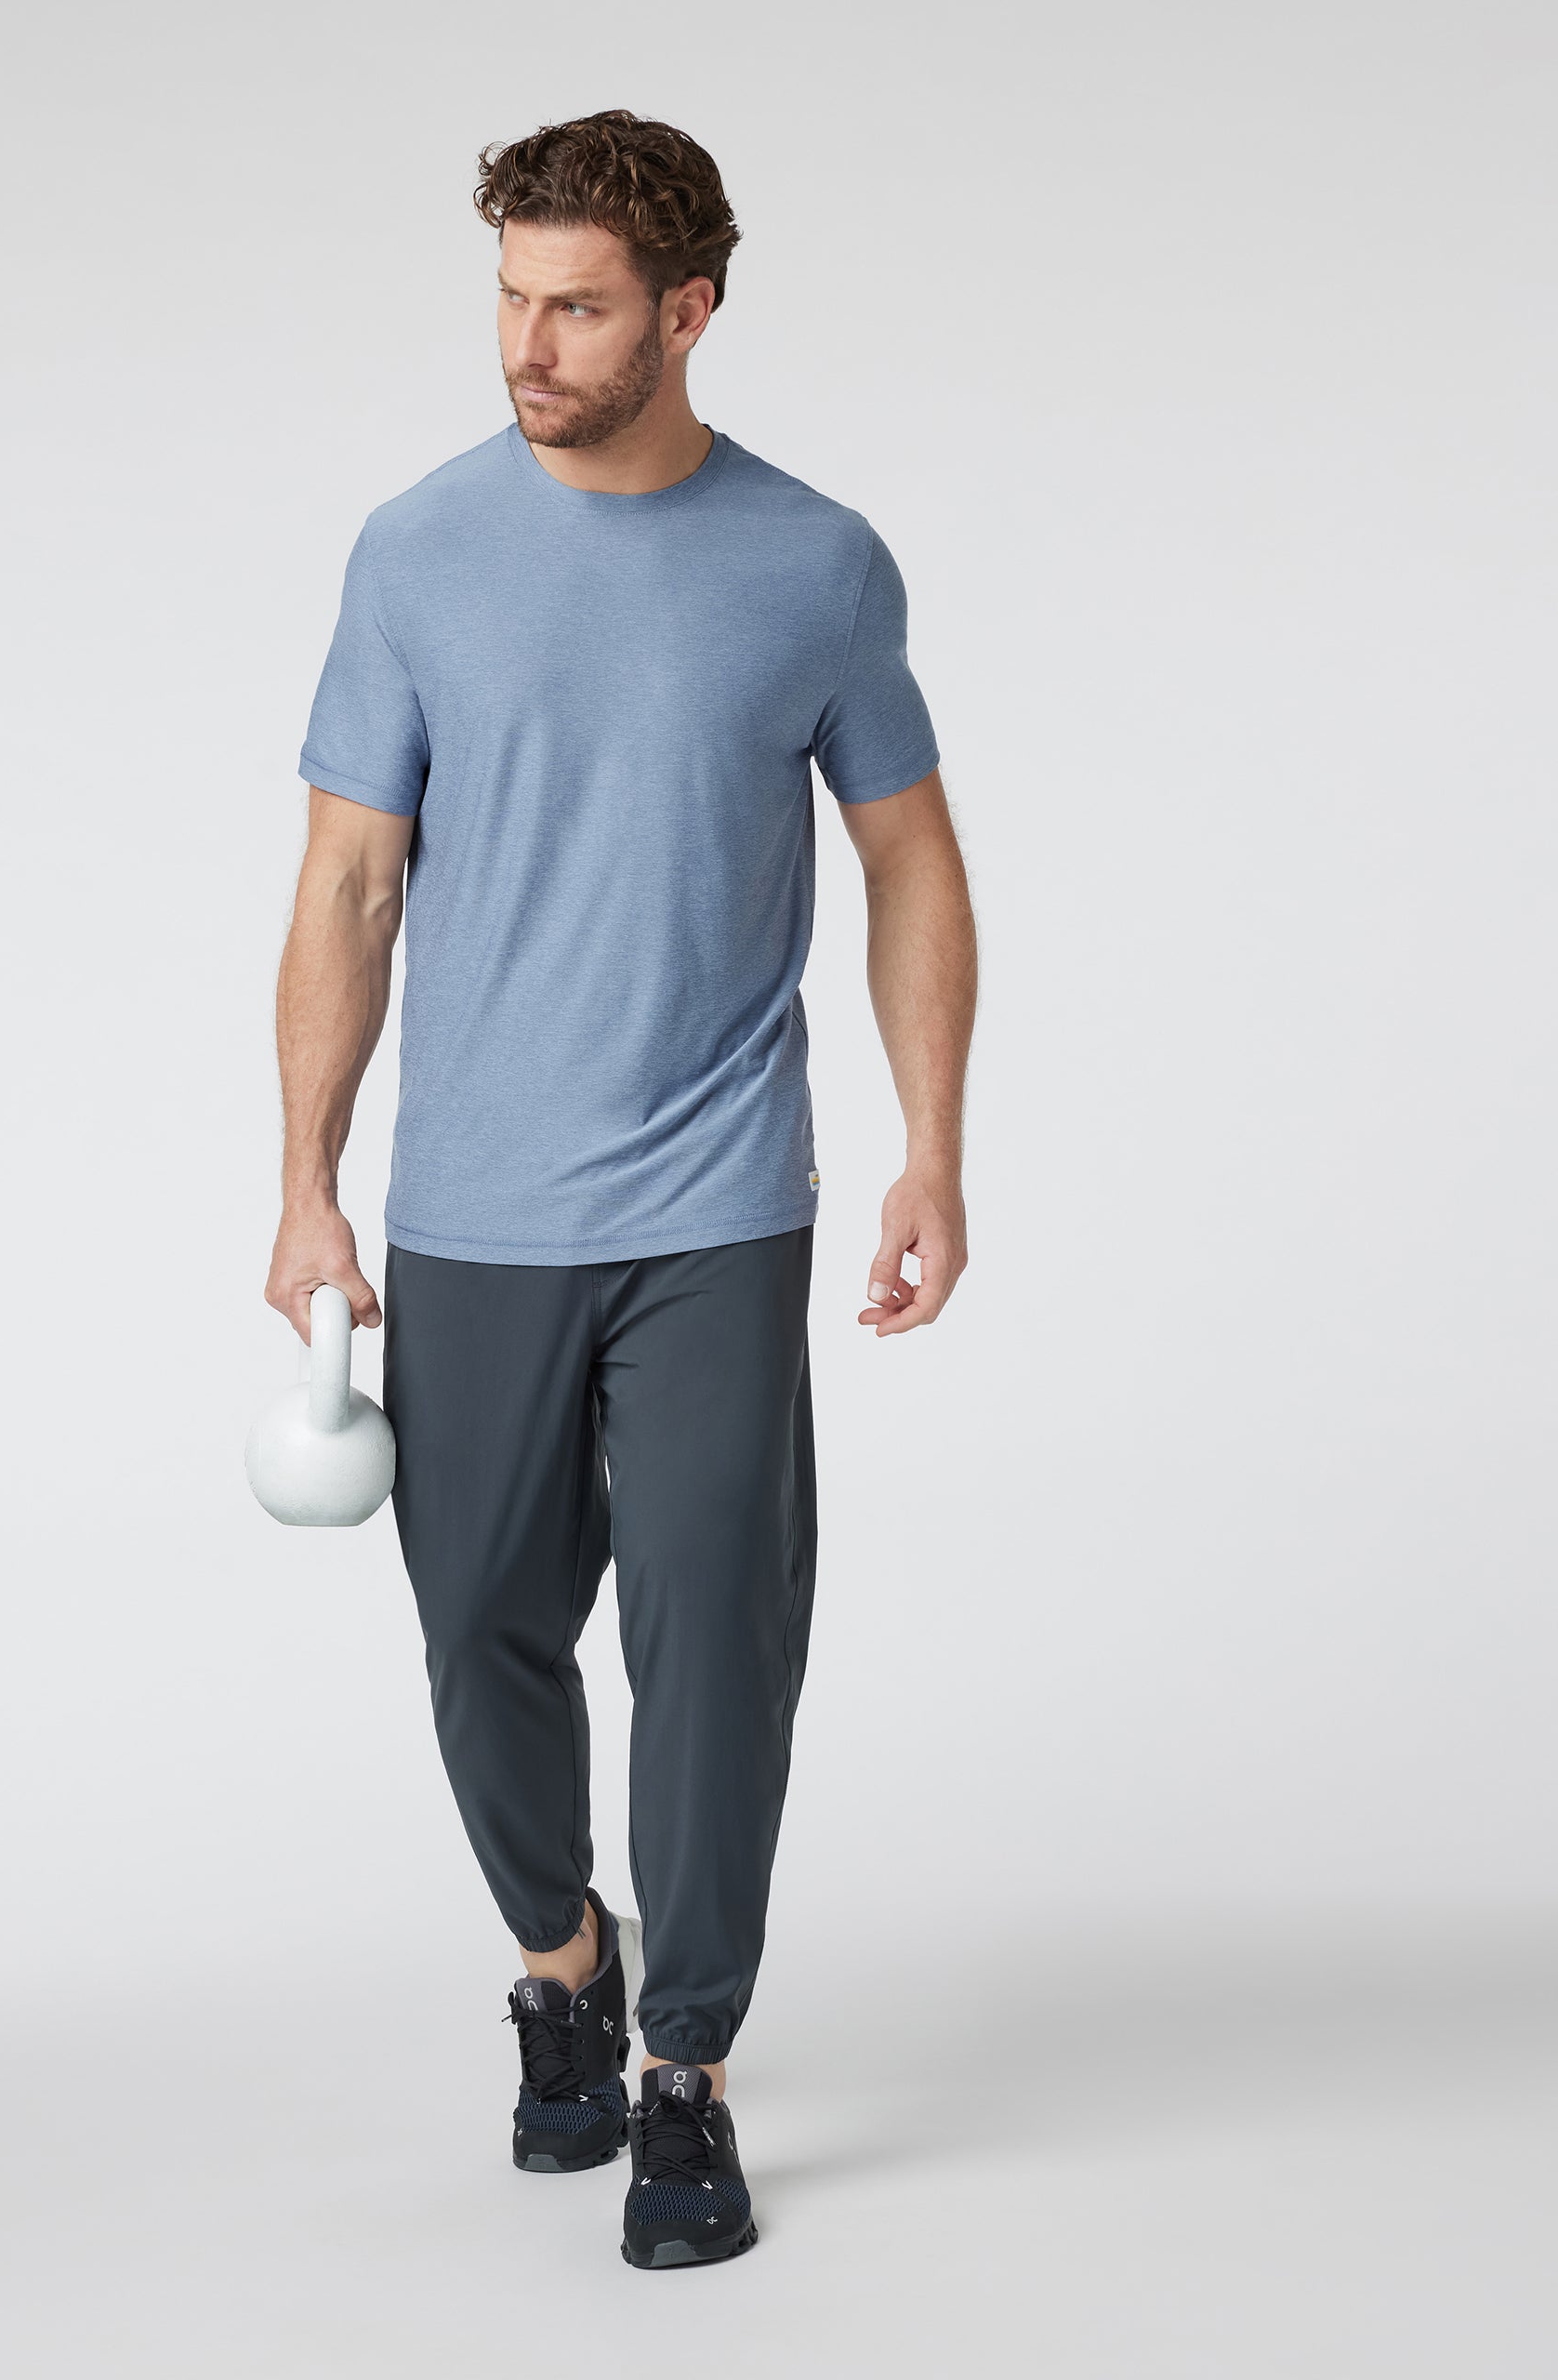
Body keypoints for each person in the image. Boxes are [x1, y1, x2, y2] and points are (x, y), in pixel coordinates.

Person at [266, 108, 977, 2268]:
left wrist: (931, 1144)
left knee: (715, 1635)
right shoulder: (416, 551)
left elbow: (908, 857)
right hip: (473, 1203)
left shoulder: (814, 562)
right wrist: (303, 1183)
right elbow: (348, 879)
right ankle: (562, 1957)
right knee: (478, 1618)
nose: (528, 344)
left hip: (717, 1193)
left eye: (576, 307)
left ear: (687, 311)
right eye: (510, 297)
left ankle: (684, 2067)